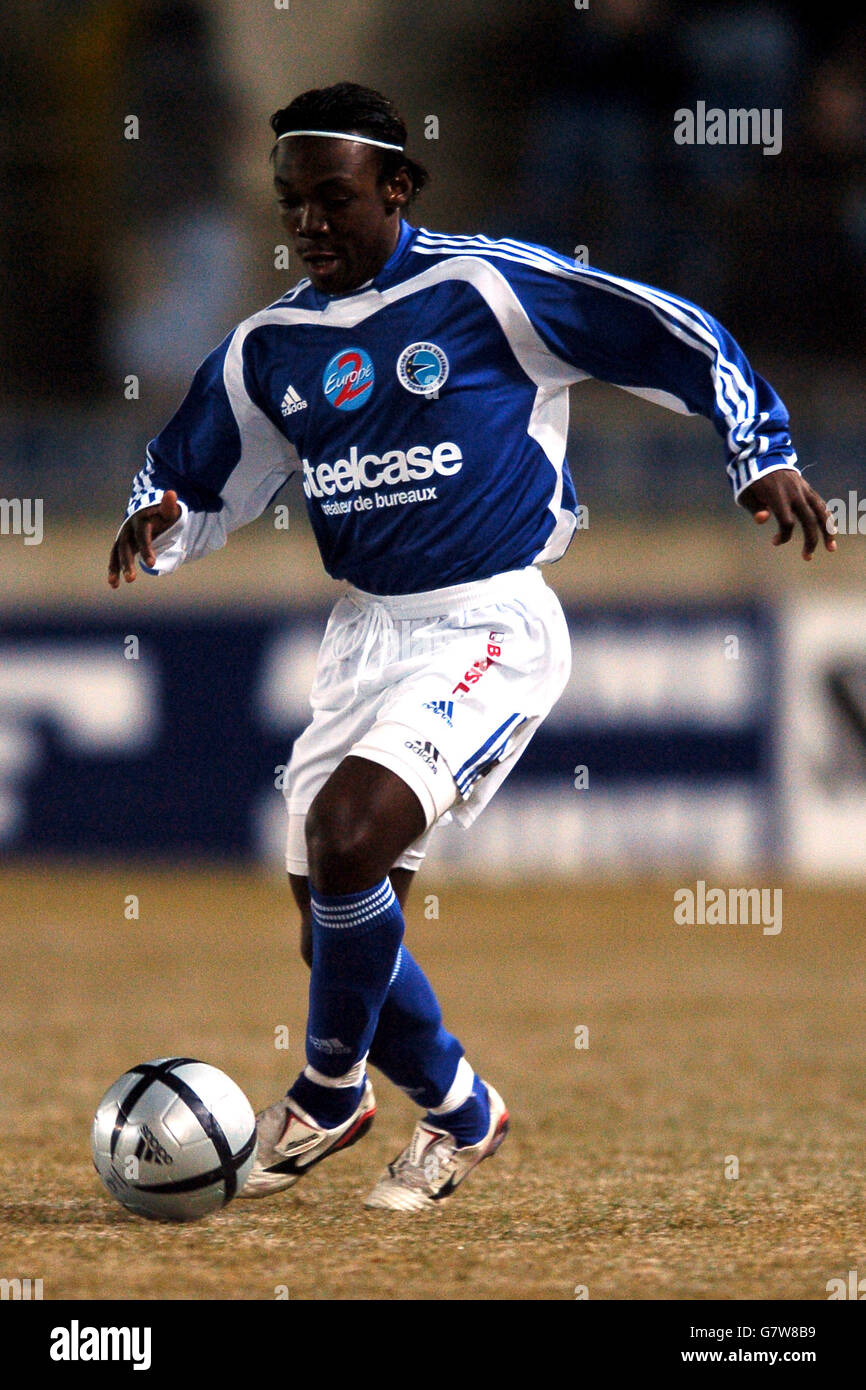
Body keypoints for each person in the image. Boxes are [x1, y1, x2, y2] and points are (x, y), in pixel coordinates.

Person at [108, 81, 835, 1212]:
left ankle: (326, 1092)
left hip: (487, 619)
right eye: (291, 203)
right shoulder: (271, 345)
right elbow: (198, 476)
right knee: (331, 924)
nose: (308, 225)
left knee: (348, 839)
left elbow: (665, 330)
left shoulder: (479, 285)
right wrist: (162, 522)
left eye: (334, 200)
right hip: (364, 636)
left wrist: (757, 446)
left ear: (396, 188)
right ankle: (460, 1111)